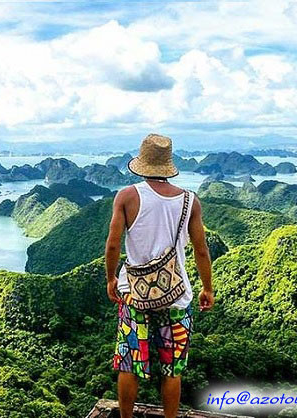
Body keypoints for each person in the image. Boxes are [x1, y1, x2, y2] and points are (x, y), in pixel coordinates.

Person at [105, 133, 214, 418]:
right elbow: (201, 250)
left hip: (134, 295)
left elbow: (113, 243)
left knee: (129, 363)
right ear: (168, 164)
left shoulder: (127, 196)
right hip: (176, 296)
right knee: (172, 368)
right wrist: (207, 288)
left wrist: (111, 279)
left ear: (141, 164)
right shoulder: (190, 201)